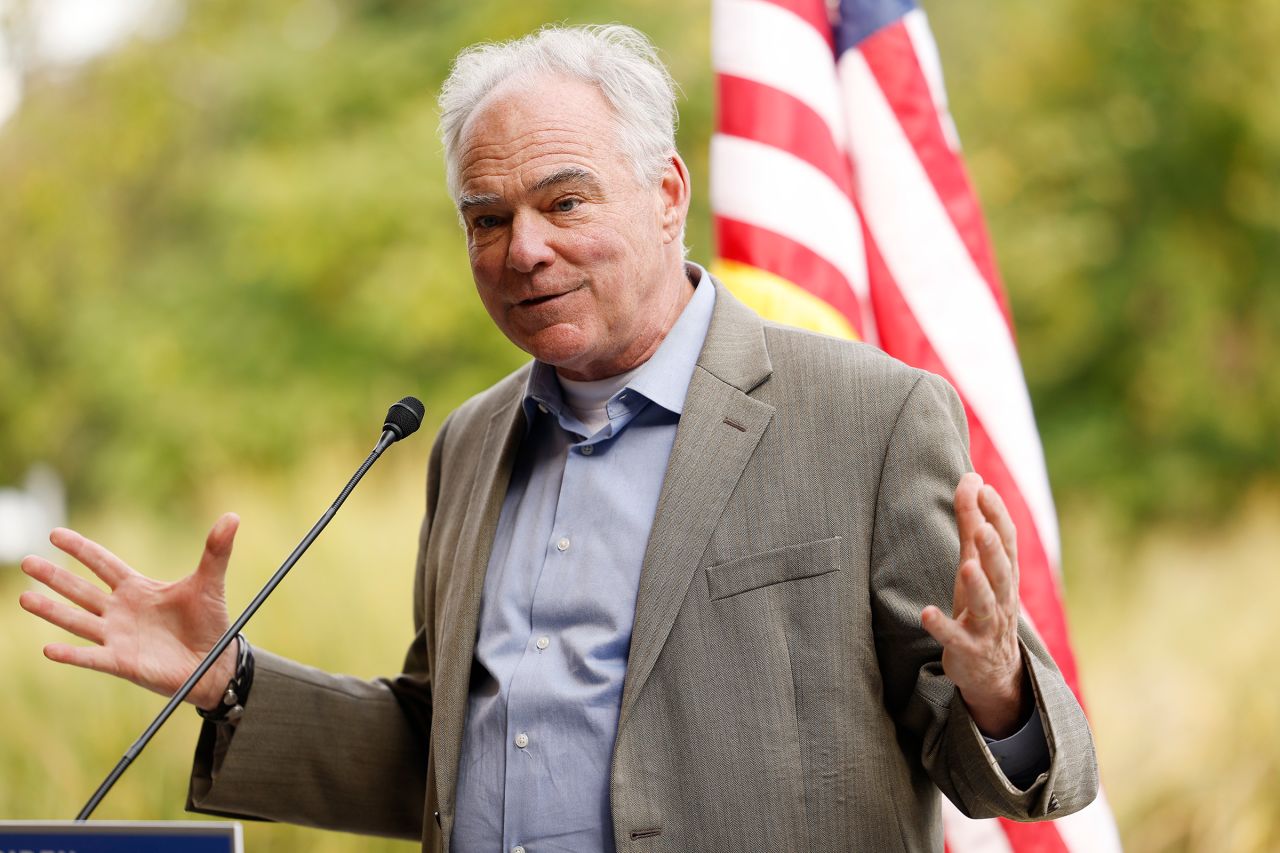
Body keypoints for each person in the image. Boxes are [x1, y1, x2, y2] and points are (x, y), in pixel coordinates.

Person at [18, 24, 1098, 853]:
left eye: (563, 202)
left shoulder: (868, 415)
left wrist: (998, 684)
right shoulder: (468, 441)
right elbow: (439, 749)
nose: (522, 249)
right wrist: (227, 679)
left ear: (666, 193)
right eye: (485, 219)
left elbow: (1011, 769)